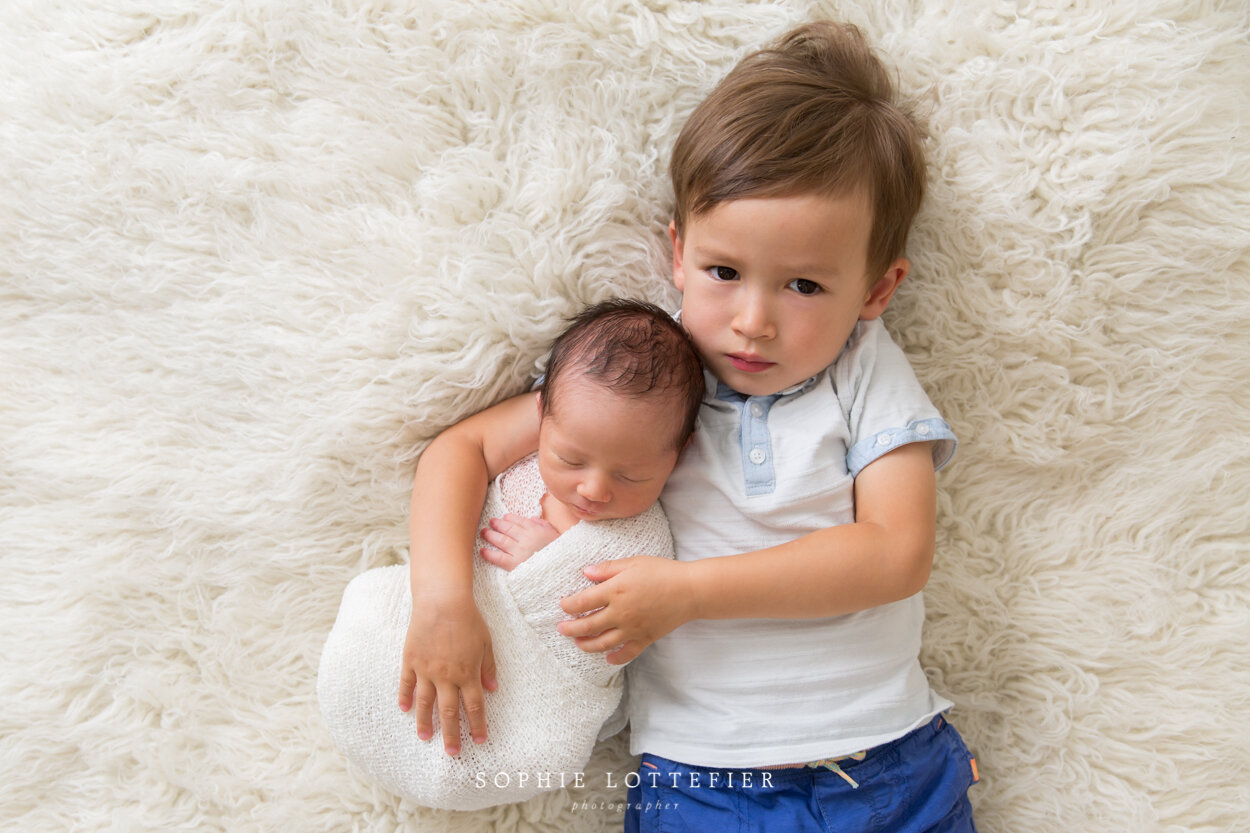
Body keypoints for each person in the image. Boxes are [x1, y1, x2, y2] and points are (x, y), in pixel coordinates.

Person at [404, 20, 979, 831]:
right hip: (705, 778)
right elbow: (459, 450)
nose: (753, 321)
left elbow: (896, 551)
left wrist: (686, 593)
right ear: (677, 253)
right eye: (723, 272)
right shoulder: (643, 373)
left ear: (877, 290)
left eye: (805, 286)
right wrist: (442, 600)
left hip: (882, 761)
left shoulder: (862, 370)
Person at [316, 299, 704, 811]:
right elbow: (460, 455)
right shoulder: (522, 457)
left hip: (530, 695)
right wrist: (442, 603)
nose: (592, 489)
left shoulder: (643, 537)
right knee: (370, 623)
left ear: (679, 455)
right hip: (441, 619)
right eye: (569, 458)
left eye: (630, 475)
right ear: (541, 415)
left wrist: (554, 565)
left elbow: (618, 640)